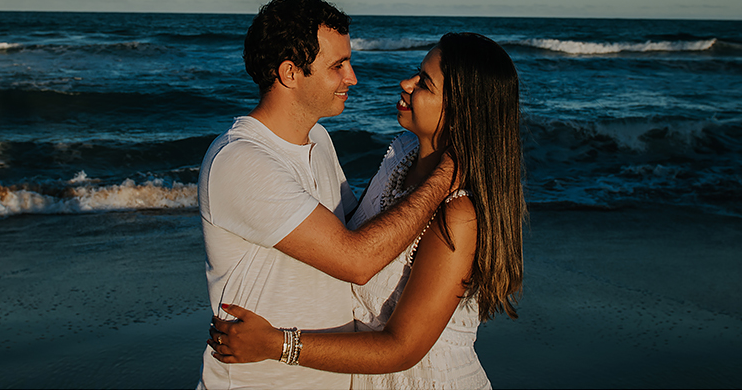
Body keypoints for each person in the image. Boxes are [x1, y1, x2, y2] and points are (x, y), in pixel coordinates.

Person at [209, 32, 527, 390]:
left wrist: (276, 344)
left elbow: (402, 348)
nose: (406, 83)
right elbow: (352, 244)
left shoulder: (459, 215)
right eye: (416, 72)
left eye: (424, 83)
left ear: (461, 113)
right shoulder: (402, 154)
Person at [197, 0, 455, 390]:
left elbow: (353, 228)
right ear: (290, 73)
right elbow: (357, 260)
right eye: (338, 66)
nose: (352, 78)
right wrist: (447, 172)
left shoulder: (317, 138)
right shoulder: (240, 160)